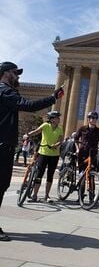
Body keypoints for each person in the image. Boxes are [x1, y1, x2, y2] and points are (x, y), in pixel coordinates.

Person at [0, 61, 64, 241]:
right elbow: (28, 105)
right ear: (5, 73)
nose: (18, 76)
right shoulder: (5, 90)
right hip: (2, 145)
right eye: (15, 72)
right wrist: (53, 98)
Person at [27, 111, 64, 203]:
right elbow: (36, 132)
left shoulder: (60, 128)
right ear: (52, 119)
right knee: (39, 174)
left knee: (50, 175)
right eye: (57, 117)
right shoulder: (45, 126)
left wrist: (56, 145)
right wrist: (27, 135)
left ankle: (47, 196)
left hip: (54, 154)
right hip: (43, 153)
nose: (59, 119)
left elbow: (61, 140)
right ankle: (34, 195)